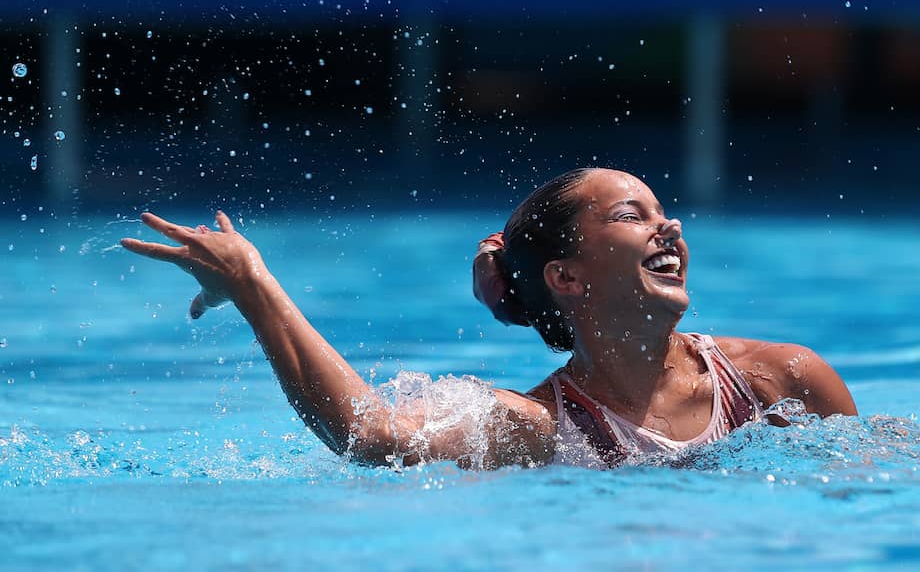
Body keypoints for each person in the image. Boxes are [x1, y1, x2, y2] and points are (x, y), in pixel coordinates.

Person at [121, 167, 856, 469]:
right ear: (565, 278)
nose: (670, 230)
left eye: (667, 214)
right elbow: (375, 438)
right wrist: (253, 284)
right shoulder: (537, 428)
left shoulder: (778, 381)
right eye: (636, 217)